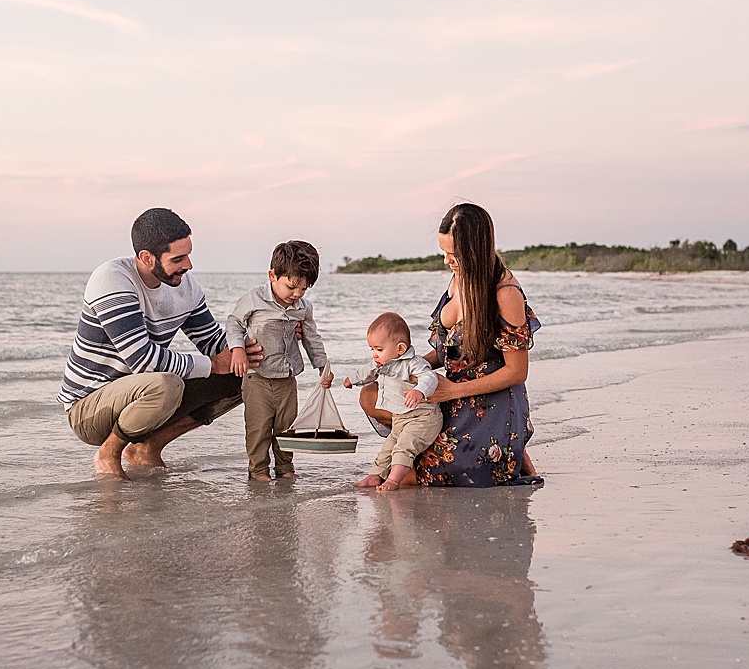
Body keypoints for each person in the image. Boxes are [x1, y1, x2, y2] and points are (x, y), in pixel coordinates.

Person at [59, 208, 262, 479]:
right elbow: (142, 361)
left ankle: (147, 449)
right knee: (166, 384)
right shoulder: (111, 279)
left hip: (145, 396)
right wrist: (213, 363)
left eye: (189, 254)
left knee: (244, 372)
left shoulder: (185, 285)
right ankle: (109, 452)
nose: (188, 265)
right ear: (147, 258)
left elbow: (214, 343)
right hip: (89, 407)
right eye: (178, 258)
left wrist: (260, 340)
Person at [358, 202, 541, 486]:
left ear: (476, 251)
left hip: (486, 400)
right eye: (444, 252)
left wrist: (453, 391)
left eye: (453, 255)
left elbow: (517, 372)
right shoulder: (458, 280)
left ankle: (510, 449)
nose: (447, 261)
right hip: (451, 393)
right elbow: (450, 352)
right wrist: (402, 365)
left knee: (404, 476)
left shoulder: (505, 294)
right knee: (371, 394)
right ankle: (420, 438)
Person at [224, 240, 332, 482]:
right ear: (273, 275)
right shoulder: (254, 298)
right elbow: (233, 323)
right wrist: (237, 349)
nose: (296, 295)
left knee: (286, 428)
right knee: (258, 428)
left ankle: (284, 468)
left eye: (303, 290)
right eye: (292, 287)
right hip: (257, 378)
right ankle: (259, 470)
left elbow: (311, 337)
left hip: (287, 378)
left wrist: (323, 366)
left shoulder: (303, 307)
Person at [344, 312, 443, 491]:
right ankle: (375, 476)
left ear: (400, 349)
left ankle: (393, 480)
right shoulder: (382, 363)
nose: (374, 355)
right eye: (372, 349)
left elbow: (429, 377)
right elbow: (368, 371)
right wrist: (352, 379)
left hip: (423, 418)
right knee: (387, 449)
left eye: (379, 350)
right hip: (400, 418)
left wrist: (419, 391)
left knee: (404, 447)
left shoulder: (413, 363)